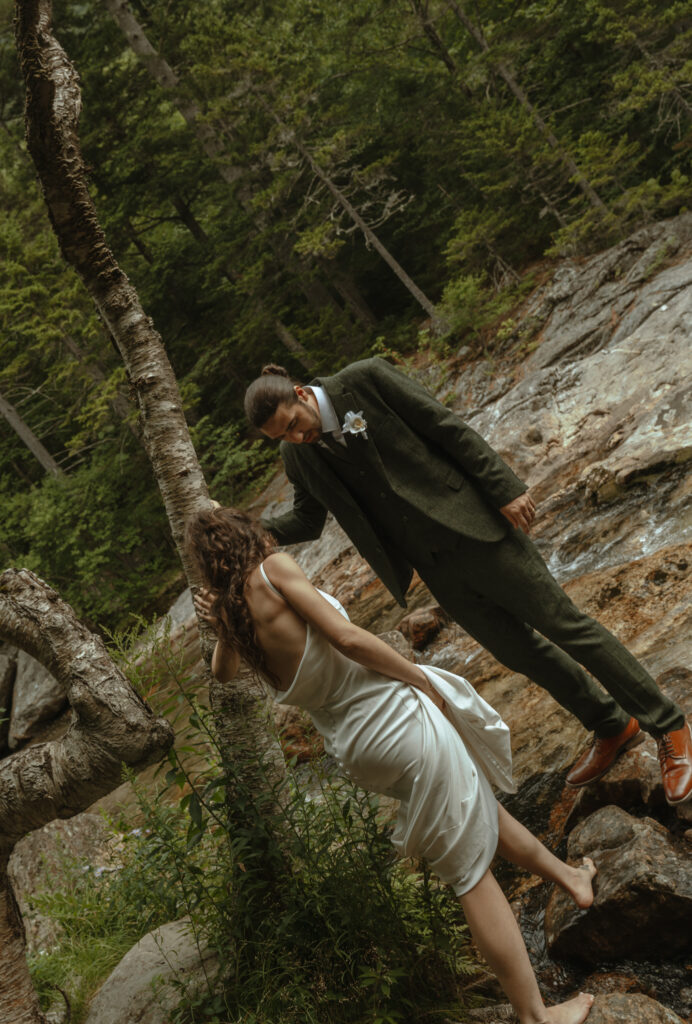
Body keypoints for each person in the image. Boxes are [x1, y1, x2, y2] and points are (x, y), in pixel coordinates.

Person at [188, 506, 597, 1024]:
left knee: (474, 808)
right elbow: (348, 638)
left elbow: (222, 676)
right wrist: (420, 677)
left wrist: (220, 622)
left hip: (356, 747)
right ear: (246, 534)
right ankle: (536, 1015)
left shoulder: (236, 617)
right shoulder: (274, 570)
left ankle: (568, 879)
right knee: (469, 872)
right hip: (396, 723)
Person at [243, 359, 692, 805]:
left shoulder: (364, 380)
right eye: (282, 436)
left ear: (300, 394)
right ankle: (611, 725)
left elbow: (445, 427)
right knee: (518, 652)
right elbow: (307, 519)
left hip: (477, 528)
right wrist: (247, 529)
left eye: (293, 424)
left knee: (566, 627)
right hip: (434, 566)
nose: (296, 437)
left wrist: (504, 489)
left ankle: (668, 724)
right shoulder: (297, 455)